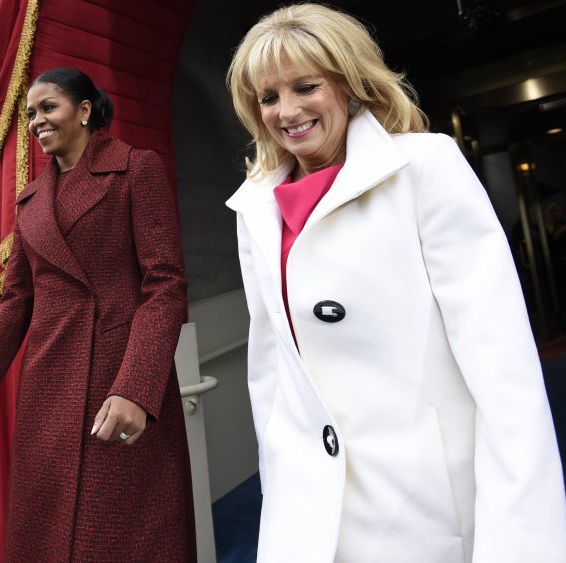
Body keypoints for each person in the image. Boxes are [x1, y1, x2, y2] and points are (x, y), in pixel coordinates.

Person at [224, 5, 566, 562]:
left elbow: (505, 374)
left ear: (349, 84)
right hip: (311, 513)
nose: (287, 112)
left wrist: (520, 544)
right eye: (268, 97)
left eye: (305, 87)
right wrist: (283, 492)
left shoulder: (426, 168)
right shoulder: (255, 206)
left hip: (422, 509)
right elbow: (271, 374)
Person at [0, 67, 195, 560]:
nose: (36, 121)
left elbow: (165, 285)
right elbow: (15, 305)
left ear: (84, 109)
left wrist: (136, 387)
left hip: (120, 380)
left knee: (125, 537)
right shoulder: (30, 200)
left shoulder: (135, 167)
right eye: (30, 113)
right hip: (48, 389)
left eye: (48, 108)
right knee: (49, 537)